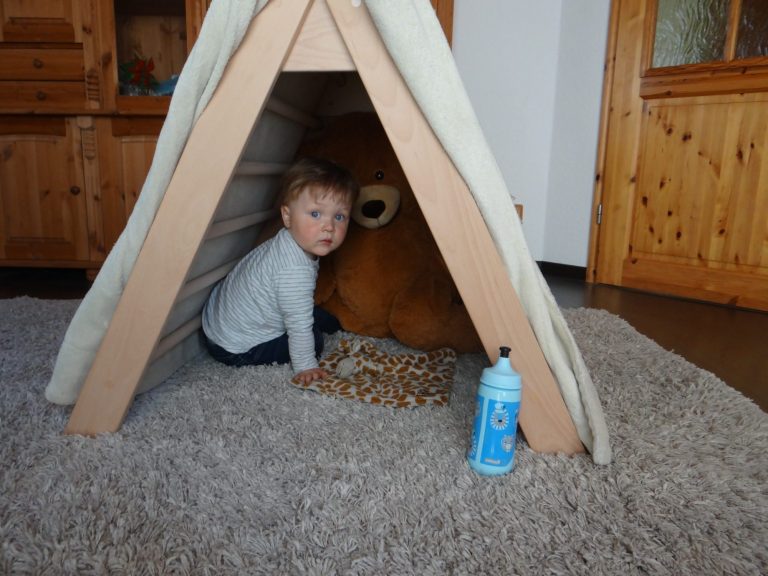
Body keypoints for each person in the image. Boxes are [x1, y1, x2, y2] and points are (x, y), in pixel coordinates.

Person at [202, 157, 359, 384]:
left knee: (311, 313)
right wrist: (306, 365)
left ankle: (311, 317)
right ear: (287, 216)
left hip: (218, 321)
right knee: (313, 338)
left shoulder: (286, 240)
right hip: (235, 347)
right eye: (315, 214)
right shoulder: (294, 270)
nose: (329, 227)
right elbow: (298, 327)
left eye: (339, 216)